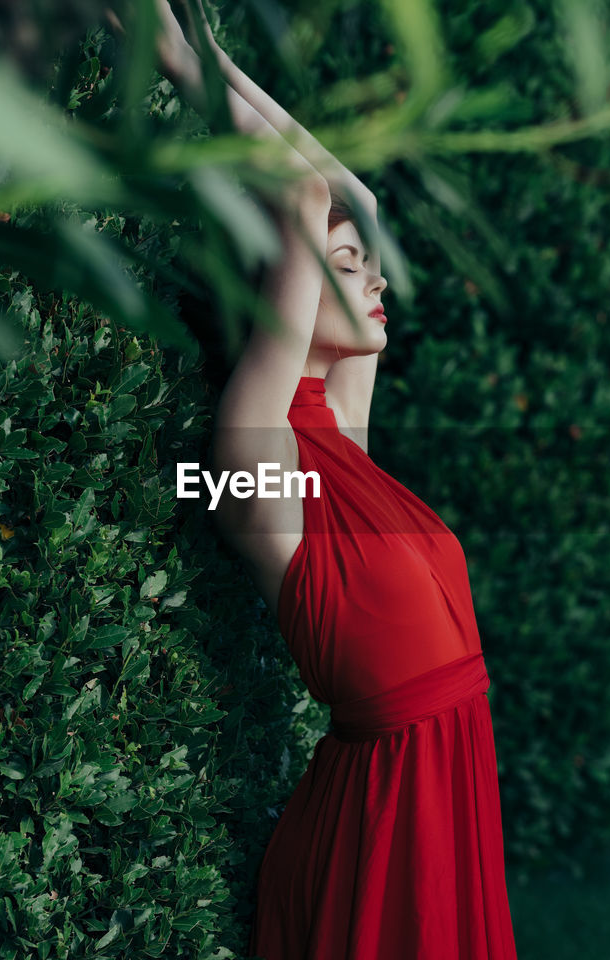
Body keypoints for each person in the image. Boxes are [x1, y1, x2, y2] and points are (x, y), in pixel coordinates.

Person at [143, 2, 519, 956]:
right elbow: (309, 197)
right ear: (291, 286)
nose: (379, 278)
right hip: (382, 816)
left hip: (444, 786)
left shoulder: (340, 437)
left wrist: (204, 51)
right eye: (348, 269)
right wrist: (165, 57)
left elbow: (353, 196)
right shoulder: (260, 452)